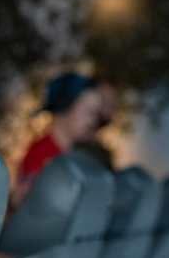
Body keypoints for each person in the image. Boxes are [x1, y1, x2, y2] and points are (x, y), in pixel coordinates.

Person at [13, 72, 103, 204]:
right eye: (89, 112)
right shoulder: (43, 156)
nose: (93, 121)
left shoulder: (68, 156)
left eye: (96, 114)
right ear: (65, 107)